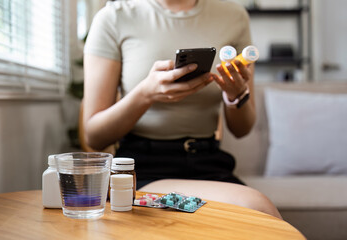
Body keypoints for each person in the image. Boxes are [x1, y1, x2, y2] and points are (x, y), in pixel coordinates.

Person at [83, 0, 281, 218]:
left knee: (257, 216)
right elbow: (94, 136)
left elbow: (242, 129)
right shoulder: (114, 17)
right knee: (257, 209)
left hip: (210, 165)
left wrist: (235, 96)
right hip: (143, 171)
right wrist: (145, 94)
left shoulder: (234, 15)